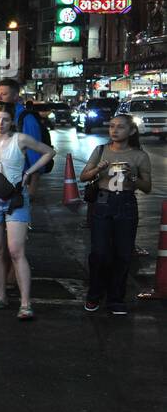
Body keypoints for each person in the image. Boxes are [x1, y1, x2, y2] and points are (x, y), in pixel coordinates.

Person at [0, 102, 56, 320]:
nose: (0, 123)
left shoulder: (20, 140)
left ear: (12, 122)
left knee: (16, 251)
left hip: (16, 199)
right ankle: (1, 296)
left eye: (5, 119)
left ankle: (26, 303)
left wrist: (29, 172)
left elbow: (49, 151)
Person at [79, 114, 153, 314]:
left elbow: (147, 187)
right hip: (103, 203)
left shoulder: (139, 155)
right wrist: (97, 169)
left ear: (132, 131)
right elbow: (83, 176)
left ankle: (116, 298)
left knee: (123, 254)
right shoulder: (101, 150)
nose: (114, 130)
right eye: (112, 126)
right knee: (100, 253)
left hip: (126, 204)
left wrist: (133, 178)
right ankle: (94, 294)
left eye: (120, 127)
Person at [0, 77, 45, 192]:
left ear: (16, 96)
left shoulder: (26, 119)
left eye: (4, 94)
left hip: (20, 182)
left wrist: (32, 187)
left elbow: (35, 155)